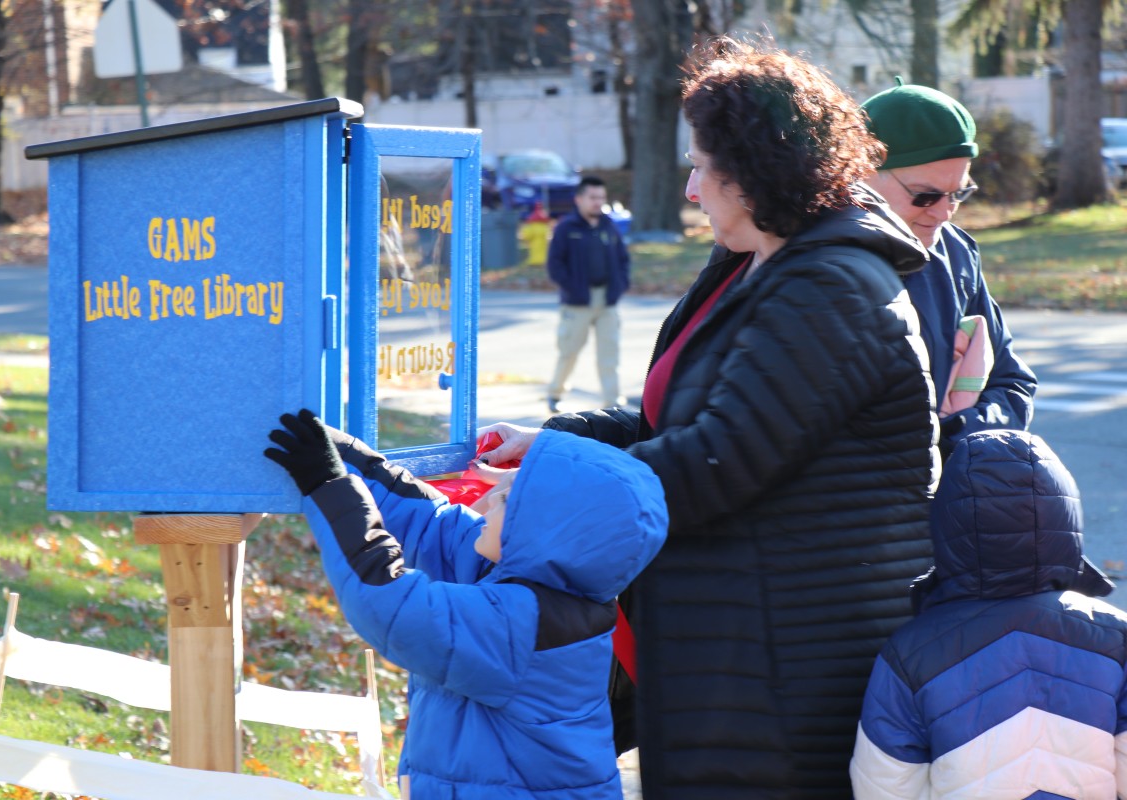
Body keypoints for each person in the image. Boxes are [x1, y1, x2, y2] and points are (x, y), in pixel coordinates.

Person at [472, 36, 940, 797]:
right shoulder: (757, 262)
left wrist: (550, 484)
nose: (690, 190)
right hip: (737, 643)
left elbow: (716, 462)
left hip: (788, 662)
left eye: (699, 166)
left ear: (753, 169)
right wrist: (555, 440)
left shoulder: (833, 286)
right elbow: (676, 419)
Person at [263, 409, 668, 800]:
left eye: (508, 499)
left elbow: (390, 605)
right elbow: (430, 522)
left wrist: (329, 487)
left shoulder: (524, 626)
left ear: (545, 535)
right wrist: (340, 451)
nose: (490, 500)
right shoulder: (532, 577)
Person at [850, 429, 1126, 798]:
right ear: (1065, 517)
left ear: (947, 524)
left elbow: (885, 785)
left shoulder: (911, 653)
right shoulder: (1114, 636)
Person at [861, 80, 1038, 458]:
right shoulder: (816, 261)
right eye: (924, 196)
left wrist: (952, 439)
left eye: (958, 193)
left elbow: (1011, 383)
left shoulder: (955, 252)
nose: (944, 213)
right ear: (862, 173)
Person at [544, 175, 631, 413]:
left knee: (609, 354)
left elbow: (623, 260)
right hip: (577, 303)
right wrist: (572, 287)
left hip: (607, 301)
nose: (598, 202)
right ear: (579, 199)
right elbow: (554, 265)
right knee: (568, 353)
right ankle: (555, 394)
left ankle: (613, 402)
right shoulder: (566, 228)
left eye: (601, 197)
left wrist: (620, 285)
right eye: (592, 197)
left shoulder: (609, 226)